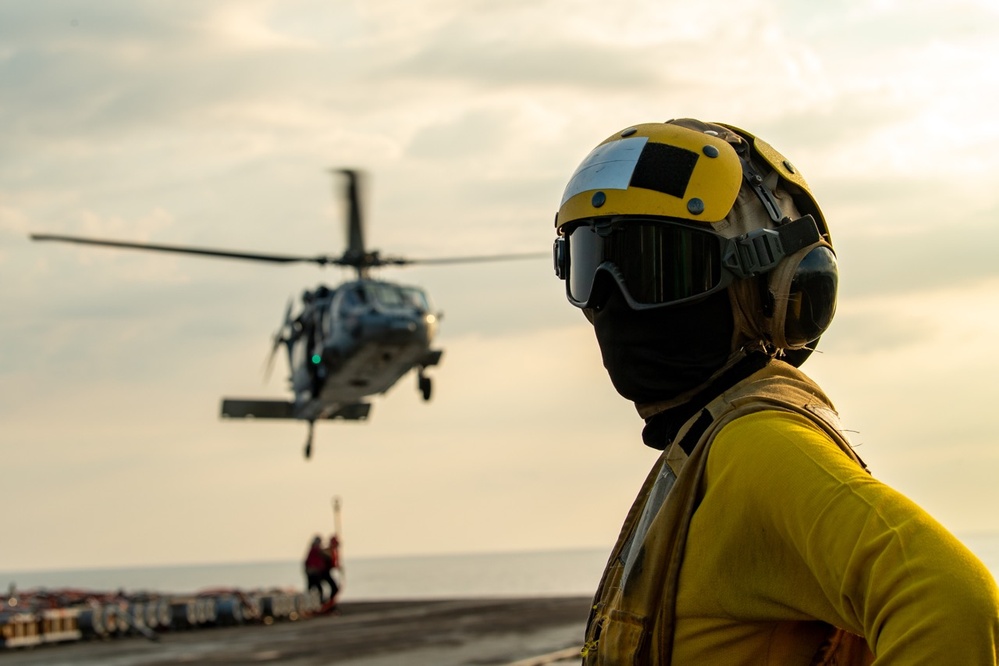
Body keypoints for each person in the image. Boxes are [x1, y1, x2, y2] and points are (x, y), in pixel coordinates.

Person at [552, 119, 999, 664]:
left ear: (776, 288)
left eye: (660, 268)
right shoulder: (702, 451)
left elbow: (952, 599)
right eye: (591, 264)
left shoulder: (758, 447)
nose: (612, 301)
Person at [303, 535, 328, 603]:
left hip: (312, 572)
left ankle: (310, 601)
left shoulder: (313, 549)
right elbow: (323, 553)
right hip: (313, 572)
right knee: (316, 588)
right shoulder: (315, 549)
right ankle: (318, 601)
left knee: (311, 588)